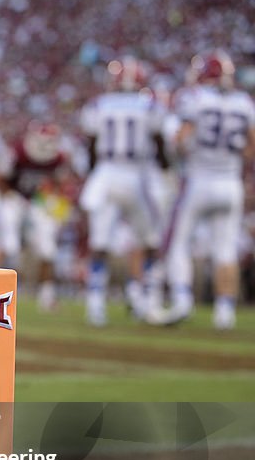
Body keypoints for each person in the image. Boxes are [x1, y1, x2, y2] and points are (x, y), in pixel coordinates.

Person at [159, 51, 255, 329]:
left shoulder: (195, 98)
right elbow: (252, 146)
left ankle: (182, 300)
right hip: (230, 182)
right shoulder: (244, 103)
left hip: (199, 180)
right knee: (225, 250)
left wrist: (181, 150)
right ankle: (225, 312)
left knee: (178, 243)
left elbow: (180, 138)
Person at [79, 57, 170, 327]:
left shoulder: (98, 105)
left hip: (106, 175)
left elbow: (92, 145)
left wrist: (95, 172)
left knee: (99, 245)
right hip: (137, 176)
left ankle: (95, 305)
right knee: (151, 242)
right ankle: (149, 302)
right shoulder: (150, 106)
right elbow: (159, 142)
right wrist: (164, 168)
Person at [0, 121, 71, 310]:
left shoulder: (58, 158)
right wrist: (11, 197)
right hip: (13, 196)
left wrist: (49, 200)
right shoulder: (17, 152)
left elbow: (58, 182)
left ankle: (47, 296)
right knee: (9, 245)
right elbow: (0, 178)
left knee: (47, 248)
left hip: (37, 201)